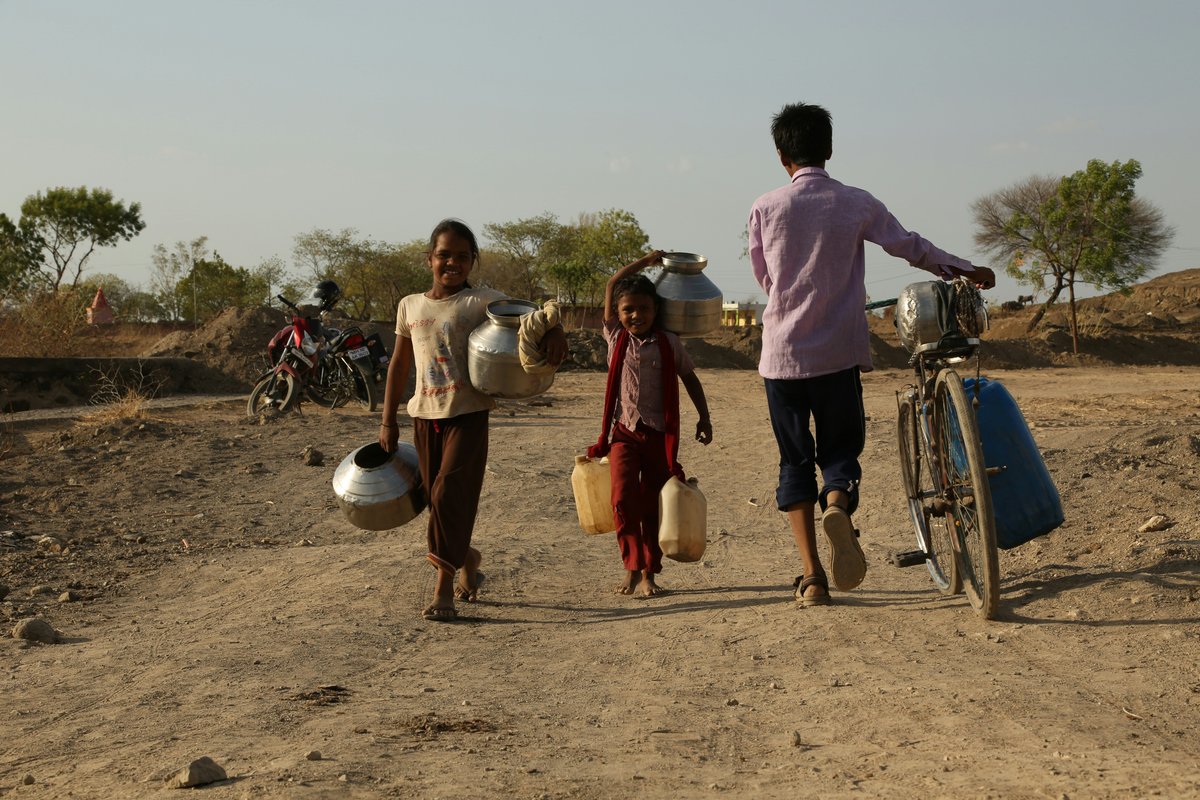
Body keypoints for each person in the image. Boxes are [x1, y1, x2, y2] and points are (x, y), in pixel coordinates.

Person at [746, 102, 996, 607]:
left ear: (781, 156)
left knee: (794, 461)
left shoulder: (765, 207)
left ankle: (813, 578)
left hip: (781, 358)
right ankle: (836, 501)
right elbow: (908, 245)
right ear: (830, 149)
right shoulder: (855, 202)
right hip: (837, 354)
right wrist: (962, 267)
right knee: (839, 453)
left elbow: (765, 277)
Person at [378, 218, 567, 622]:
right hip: (424, 416)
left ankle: (443, 589)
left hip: (468, 412)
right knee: (436, 501)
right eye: (444, 255)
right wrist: (387, 420)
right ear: (429, 258)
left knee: (449, 494)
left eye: (462, 257)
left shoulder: (481, 301)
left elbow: (537, 316)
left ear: (472, 261)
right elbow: (399, 363)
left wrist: (555, 332)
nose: (452, 263)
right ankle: (468, 558)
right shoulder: (410, 305)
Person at [588, 250, 713, 598]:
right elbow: (613, 283)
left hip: (658, 435)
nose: (636, 315)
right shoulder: (615, 337)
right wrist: (646, 261)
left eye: (643, 308)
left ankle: (649, 574)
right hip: (624, 433)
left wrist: (704, 417)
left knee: (654, 503)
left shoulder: (669, 343)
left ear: (655, 310)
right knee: (623, 499)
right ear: (618, 314)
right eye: (628, 309)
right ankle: (630, 566)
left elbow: (689, 378)